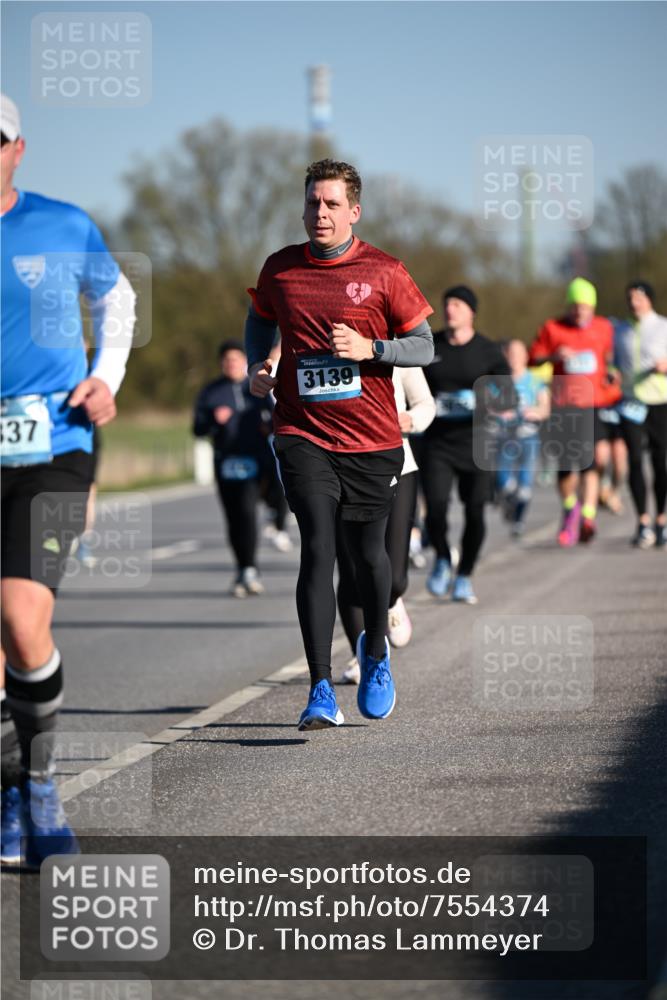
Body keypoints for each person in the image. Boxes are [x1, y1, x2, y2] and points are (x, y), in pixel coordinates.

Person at [246, 158, 434, 730]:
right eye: (311, 203)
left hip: (372, 439)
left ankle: (375, 653)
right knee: (319, 550)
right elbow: (259, 320)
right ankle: (320, 687)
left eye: (330, 205)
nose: (319, 214)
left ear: (354, 211)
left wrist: (370, 349)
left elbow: (423, 346)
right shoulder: (281, 270)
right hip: (302, 433)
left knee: (370, 557)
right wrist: (258, 365)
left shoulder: (384, 271)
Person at [1, 94, 135, 865]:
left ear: (19, 150)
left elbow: (116, 301)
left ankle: (41, 785)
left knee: (21, 617)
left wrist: (105, 376)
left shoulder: (63, 223)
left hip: (55, 441)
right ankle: (9, 794)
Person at [338, 366, 436, 683]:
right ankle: (361, 656)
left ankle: (391, 600)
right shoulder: (324, 347)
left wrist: (411, 419)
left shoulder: (396, 351)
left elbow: (425, 403)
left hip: (398, 464)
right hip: (343, 470)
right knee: (352, 570)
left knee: (393, 577)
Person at [421, 285, 512, 605]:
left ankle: (464, 576)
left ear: (471, 311)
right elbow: (411, 384)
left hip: (478, 442)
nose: (450, 309)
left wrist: (481, 397)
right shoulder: (431, 345)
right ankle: (444, 558)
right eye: (447, 303)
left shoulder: (487, 351)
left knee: (475, 513)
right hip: (437, 442)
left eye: (458, 304)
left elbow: (506, 392)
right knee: (435, 509)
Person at [529, 277, 620, 546]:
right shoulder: (552, 328)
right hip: (564, 406)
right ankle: (571, 507)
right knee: (566, 468)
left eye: (585, 307)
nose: (579, 311)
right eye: (575, 306)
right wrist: (554, 356)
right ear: (568, 306)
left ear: (593, 307)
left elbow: (609, 358)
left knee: (592, 462)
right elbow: (533, 357)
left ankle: (589, 516)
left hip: (594, 403)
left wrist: (613, 373)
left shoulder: (604, 328)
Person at [193, 341, 274, 596]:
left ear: (244, 362)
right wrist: (213, 421)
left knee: (248, 512)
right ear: (221, 363)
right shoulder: (210, 392)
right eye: (227, 361)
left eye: (236, 360)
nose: (231, 365)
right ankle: (241, 567)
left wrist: (267, 426)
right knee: (233, 518)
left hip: (255, 459)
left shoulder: (257, 389)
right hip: (225, 462)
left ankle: (250, 567)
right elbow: (197, 429)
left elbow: (277, 417)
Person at [614, 281, 667, 548]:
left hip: (660, 400)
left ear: (649, 300)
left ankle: (661, 519)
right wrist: (612, 373)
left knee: (661, 462)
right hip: (631, 403)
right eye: (630, 298)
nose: (634, 303)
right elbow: (612, 361)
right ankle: (643, 521)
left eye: (639, 298)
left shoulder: (662, 326)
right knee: (634, 459)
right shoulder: (620, 329)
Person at [494, 340, 550, 537]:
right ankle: (507, 504)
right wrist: (501, 413)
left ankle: (518, 521)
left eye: (519, 354)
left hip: (528, 437)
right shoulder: (498, 380)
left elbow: (545, 408)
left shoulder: (535, 380)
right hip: (505, 439)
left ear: (526, 356)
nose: (515, 358)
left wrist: (535, 412)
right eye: (511, 354)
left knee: (525, 485)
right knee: (504, 482)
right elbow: (488, 405)